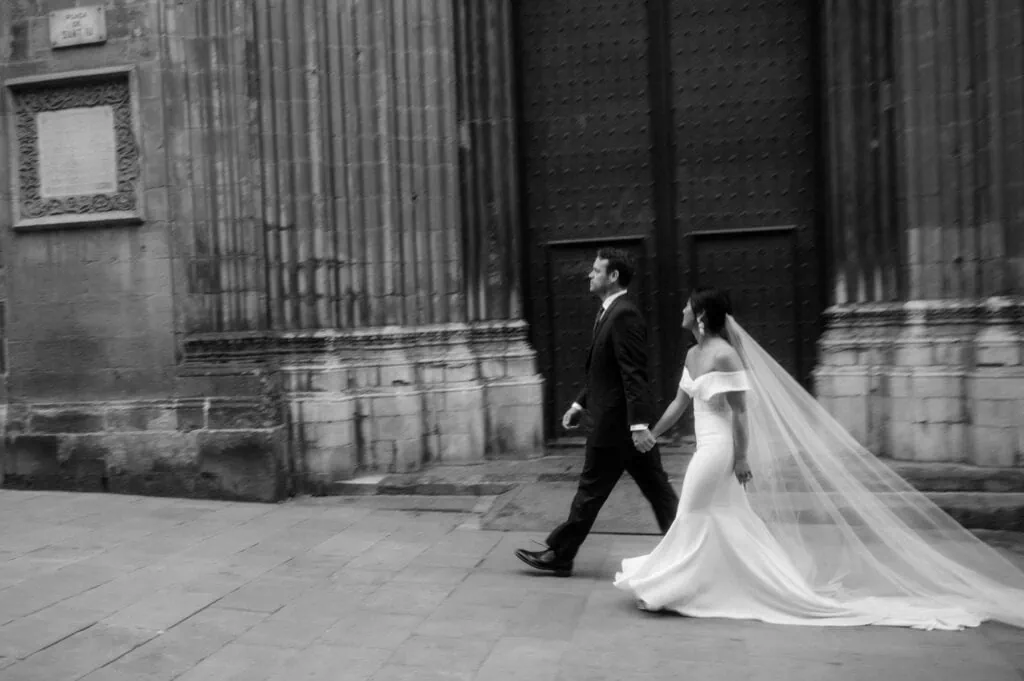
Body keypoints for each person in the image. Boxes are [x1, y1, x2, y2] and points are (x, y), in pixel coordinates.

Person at [614, 287, 1024, 630]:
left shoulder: (725, 356)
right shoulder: (692, 355)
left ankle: (667, 586)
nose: (683, 310)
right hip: (706, 446)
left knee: (690, 511)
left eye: (689, 306)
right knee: (728, 520)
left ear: (701, 315)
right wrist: (653, 432)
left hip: (720, 450)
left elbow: (740, 413)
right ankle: (756, 581)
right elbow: (678, 403)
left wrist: (741, 458)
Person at [515, 249, 679, 577]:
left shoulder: (623, 315)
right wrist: (579, 404)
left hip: (618, 428)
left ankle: (561, 554)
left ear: (613, 275)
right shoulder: (610, 312)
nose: (589, 275)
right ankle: (688, 547)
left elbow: (633, 373)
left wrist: (638, 425)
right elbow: (604, 372)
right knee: (658, 491)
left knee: (593, 492)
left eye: (596, 270)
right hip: (619, 425)